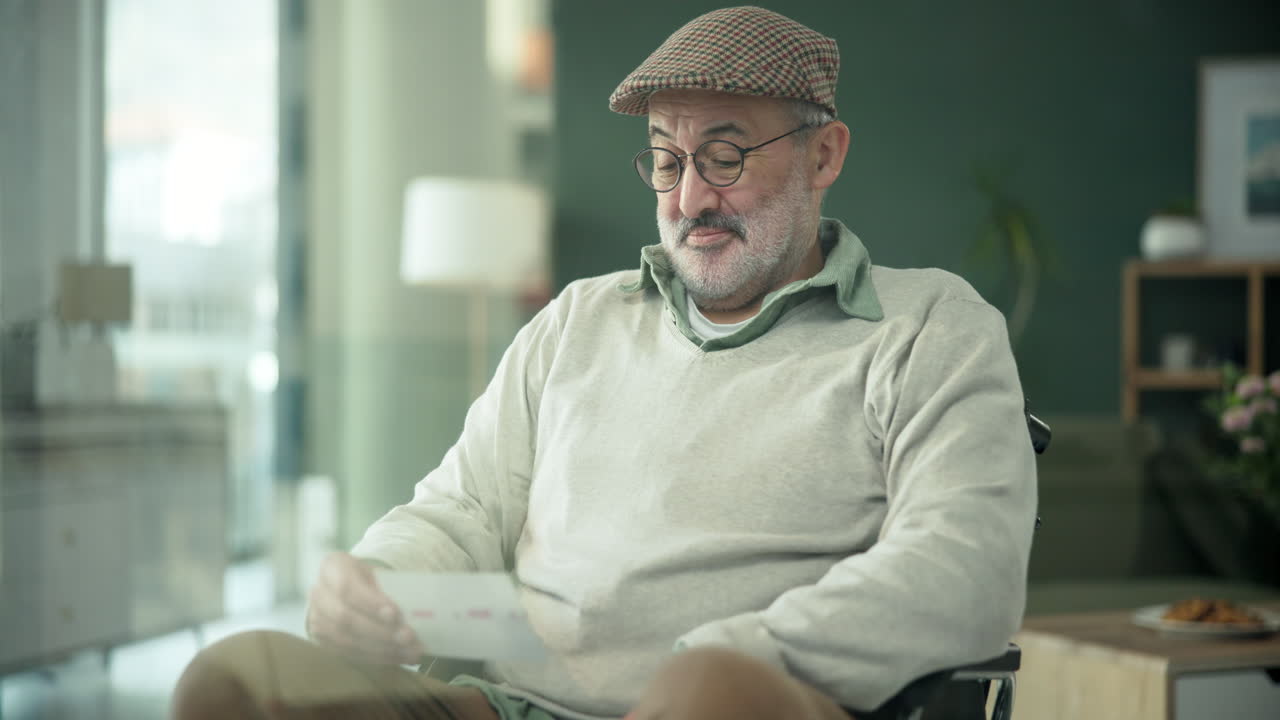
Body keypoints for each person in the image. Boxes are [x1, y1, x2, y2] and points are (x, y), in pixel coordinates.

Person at [171, 6, 1036, 720]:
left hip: (752, 699)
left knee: (704, 695)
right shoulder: (579, 321)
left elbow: (964, 568)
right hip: (510, 706)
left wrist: (728, 652)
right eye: (667, 160)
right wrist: (379, 580)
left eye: (726, 157)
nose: (692, 196)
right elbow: (464, 510)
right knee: (238, 684)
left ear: (823, 155)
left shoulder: (928, 325)